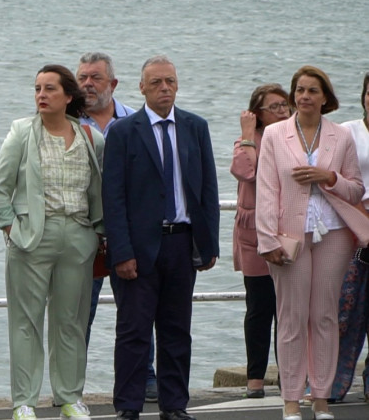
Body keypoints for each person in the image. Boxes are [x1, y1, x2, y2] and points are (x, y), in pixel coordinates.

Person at [103, 55, 220, 420]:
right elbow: (113, 197)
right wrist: (121, 251)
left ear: (178, 84)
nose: (164, 88)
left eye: (169, 81)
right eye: (156, 82)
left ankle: (175, 405)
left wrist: (209, 244)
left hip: (182, 244)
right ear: (141, 88)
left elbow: (208, 190)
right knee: (134, 333)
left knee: (176, 332)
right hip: (138, 249)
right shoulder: (124, 131)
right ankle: (128, 406)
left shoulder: (195, 127)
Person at [256, 65, 369, 420]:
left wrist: (329, 176)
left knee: (324, 317)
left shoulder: (341, 136)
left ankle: (320, 397)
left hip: (334, 234)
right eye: (299, 90)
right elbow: (266, 190)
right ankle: (291, 399)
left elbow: (355, 189)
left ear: (325, 98)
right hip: (290, 236)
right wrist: (267, 240)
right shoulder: (275, 134)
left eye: (312, 91)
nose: (304, 97)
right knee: (291, 318)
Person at [0, 64, 103, 420]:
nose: (41, 95)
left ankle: (69, 397)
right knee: (25, 322)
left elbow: (98, 190)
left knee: (70, 321)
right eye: (37, 88)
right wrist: (12, 230)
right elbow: (1, 190)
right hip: (32, 238)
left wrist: (96, 232)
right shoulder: (22, 133)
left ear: (68, 96)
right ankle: (24, 402)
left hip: (78, 236)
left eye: (50, 89)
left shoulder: (91, 137)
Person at [76, 52, 157, 403]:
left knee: (139, 312)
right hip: (85, 232)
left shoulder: (137, 122)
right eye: (81, 78)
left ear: (113, 84)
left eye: (95, 77)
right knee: (78, 313)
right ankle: (71, 384)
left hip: (131, 231)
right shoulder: (66, 123)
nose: (87, 85)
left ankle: (146, 378)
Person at [230, 83, 290, 399]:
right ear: (258, 114)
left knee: (288, 308)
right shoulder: (247, 140)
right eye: (275, 106)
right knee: (259, 306)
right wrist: (247, 132)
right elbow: (246, 171)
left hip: (287, 230)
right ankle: (255, 378)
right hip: (253, 232)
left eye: (285, 105)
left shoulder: (293, 139)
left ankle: (288, 374)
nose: (282, 111)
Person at [331, 73, 369, 403]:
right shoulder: (347, 132)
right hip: (354, 231)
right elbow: (337, 181)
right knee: (346, 311)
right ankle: (334, 383)